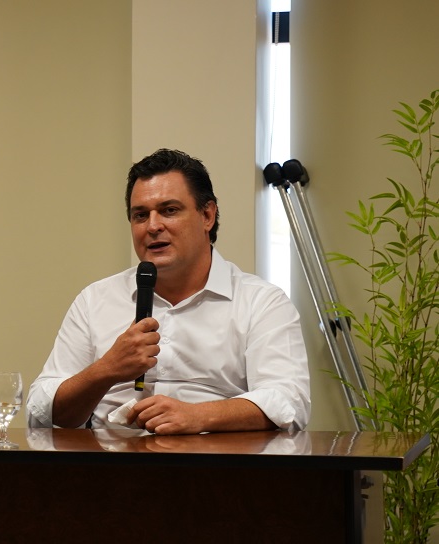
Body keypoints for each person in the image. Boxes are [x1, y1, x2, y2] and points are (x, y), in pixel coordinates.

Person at [26, 149, 310, 434]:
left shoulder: (261, 302)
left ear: (207, 215)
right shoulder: (95, 300)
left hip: (215, 457)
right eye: (140, 215)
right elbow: (41, 410)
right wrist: (106, 369)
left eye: (169, 210)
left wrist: (199, 416)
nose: (152, 226)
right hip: (111, 456)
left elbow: (288, 401)